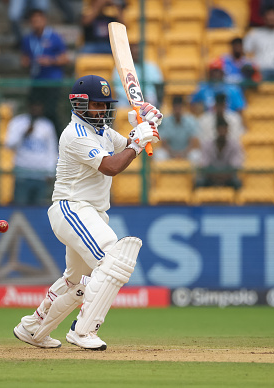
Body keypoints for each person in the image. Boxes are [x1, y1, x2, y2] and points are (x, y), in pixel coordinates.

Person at [13, 74, 162, 350]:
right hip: (72, 208)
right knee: (114, 259)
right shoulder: (75, 134)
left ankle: (32, 327)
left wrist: (146, 124)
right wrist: (137, 142)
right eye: (97, 105)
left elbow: (126, 147)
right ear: (80, 105)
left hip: (90, 212)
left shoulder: (102, 132)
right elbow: (113, 166)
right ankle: (83, 331)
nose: (103, 111)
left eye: (106, 105)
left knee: (75, 282)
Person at [5, 93, 59, 206]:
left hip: (41, 174)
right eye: (34, 106)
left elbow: (52, 150)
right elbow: (9, 145)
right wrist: (23, 134)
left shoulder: (47, 125)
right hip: (22, 173)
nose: (36, 109)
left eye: (39, 106)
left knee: (38, 208)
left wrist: (50, 171)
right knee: (20, 206)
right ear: (29, 106)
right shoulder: (18, 122)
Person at [21, 9, 69, 134]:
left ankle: (58, 139)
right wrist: (26, 62)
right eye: (34, 21)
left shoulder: (54, 37)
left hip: (52, 81)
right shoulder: (28, 39)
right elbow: (24, 58)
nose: (36, 23)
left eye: (39, 20)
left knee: (50, 111)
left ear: (44, 20)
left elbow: (65, 58)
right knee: (34, 110)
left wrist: (51, 61)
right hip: (37, 80)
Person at [195, 115, 244, 189]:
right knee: (199, 183)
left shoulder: (235, 145)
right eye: (220, 130)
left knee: (237, 183)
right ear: (216, 130)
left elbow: (235, 165)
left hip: (228, 177)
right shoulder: (207, 145)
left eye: (224, 130)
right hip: (210, 177)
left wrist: (224, 176)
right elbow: (204, 164)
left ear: (227, 130)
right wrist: (214, 176)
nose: (222, 132)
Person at [112, 43, 163, 107]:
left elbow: (158, 85)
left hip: (148, 97)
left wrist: (144, 97)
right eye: (135, 53)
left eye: (138, 53)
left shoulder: (152, 67)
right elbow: (117, 88)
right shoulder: (121, 67)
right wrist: (134, 99)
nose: (137, 55)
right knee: (121, 104)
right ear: (130, 54)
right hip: (127, 99)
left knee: (152, 102)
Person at [156, 95, 200, 164]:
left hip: (186, 152)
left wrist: (183, 154)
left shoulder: (191, 120)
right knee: (159, 154)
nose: (177, 110)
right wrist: (173, 154)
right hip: (170, 153)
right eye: (175, 107)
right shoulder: (165, 121)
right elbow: (164, 143)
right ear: (172, 107)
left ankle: (194, 175)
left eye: (179, 107)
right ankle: (162, 175)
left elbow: (193, 142)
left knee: (196, 155)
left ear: (183, 108)